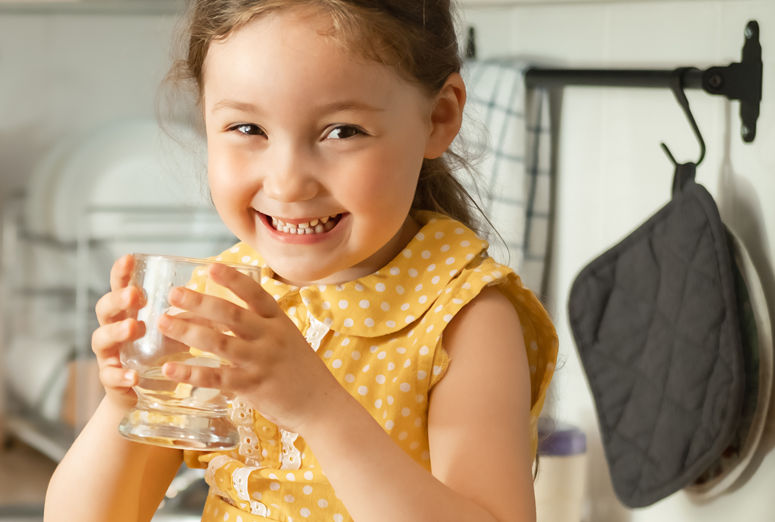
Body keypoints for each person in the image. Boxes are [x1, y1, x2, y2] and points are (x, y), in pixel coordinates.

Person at [43, 1, 558, 521]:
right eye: (248, 129)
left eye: (342, 131)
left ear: (439, 117)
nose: (287, 182)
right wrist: (127, 402)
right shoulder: (225, 300)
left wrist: (319, 409)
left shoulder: (465, 319)